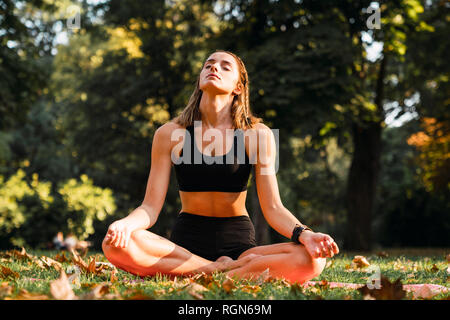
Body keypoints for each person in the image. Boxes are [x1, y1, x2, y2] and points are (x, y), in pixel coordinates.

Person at [102, 50, 339, 283]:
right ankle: (222, 271)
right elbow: (150, 207)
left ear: (238, 87)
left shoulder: (257, 135)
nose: (214, 67)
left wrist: (306, 234)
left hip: (238, 243)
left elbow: (274, 208)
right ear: (200, 80)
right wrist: (125, 224)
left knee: (313, 259)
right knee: (113, 244)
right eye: (209, 64)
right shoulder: (170, 134)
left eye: (225, 66)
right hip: (184, 246)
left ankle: (201, 273)